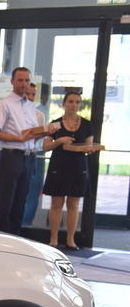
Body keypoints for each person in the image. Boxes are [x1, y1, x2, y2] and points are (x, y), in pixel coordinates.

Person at [0, 67, 57, 235]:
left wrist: (45, 133)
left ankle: (15, 239)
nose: (24, 84)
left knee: (20, 202)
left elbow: (30, 135)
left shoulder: (31, 107)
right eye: (20, 80)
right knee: (5, 202)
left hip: (28, 157)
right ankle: (1, 240)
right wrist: (17, 139)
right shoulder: (5, 105)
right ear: (12, 82)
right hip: (11, 157)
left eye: (27, 80)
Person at [42, 91, 104, 249]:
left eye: (77, 102)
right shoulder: (55, 124)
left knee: (74, 204)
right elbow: (45, 147)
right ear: (63, 104)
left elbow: (88, 146)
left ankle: (71, 239)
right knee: (56, 203)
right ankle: (54, 239)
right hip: (59, 165)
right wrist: (59, 141)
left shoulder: (87, 124)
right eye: (70, 101)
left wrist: (90, 149)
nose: (74, 105)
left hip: (78, 166)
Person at [21, 82, 48, 226]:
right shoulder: (11, 112)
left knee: (32, 193)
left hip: (34, 154)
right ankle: (10, 227)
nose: (31, 97)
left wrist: (41, 134)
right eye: (28, 94)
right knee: (14, 192)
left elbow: (39, 140)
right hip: (16, 153)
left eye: (33, 94)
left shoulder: (39, 115)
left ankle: (26, 225)